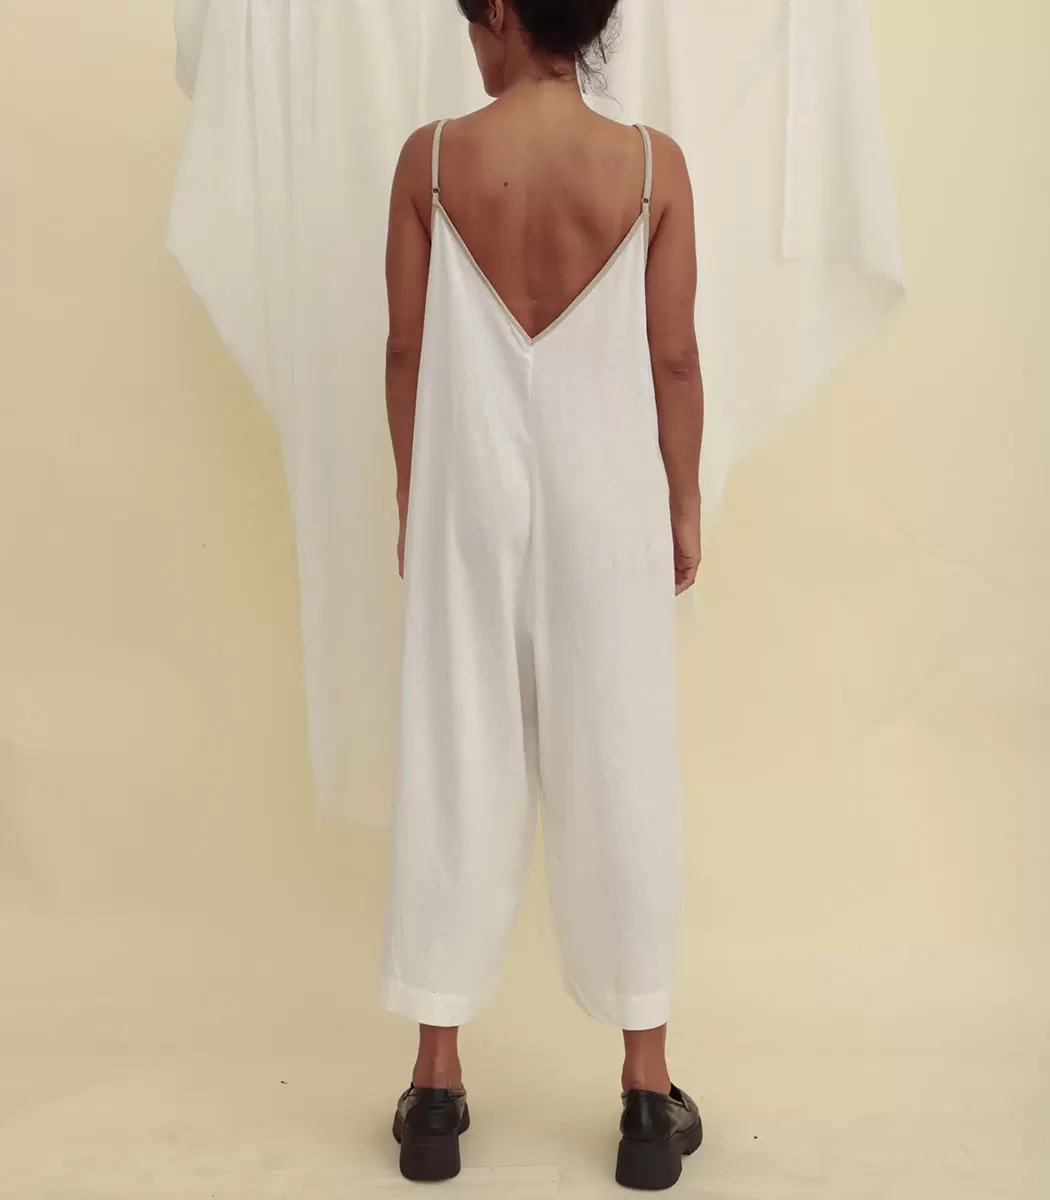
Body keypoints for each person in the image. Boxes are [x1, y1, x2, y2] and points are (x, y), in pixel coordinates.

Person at [381, 0, 704, 1187]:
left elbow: (404, 351)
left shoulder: (429, 161)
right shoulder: (652, 167)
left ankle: (435, 1088)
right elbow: (675, 357)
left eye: (473, 18)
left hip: (468, 492)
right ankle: (646, 1095)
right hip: (608, 499)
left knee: (455, 746)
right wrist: (682, 501)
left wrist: (413, 492)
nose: (470, 40)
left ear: (506, 14)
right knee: (622, 755)